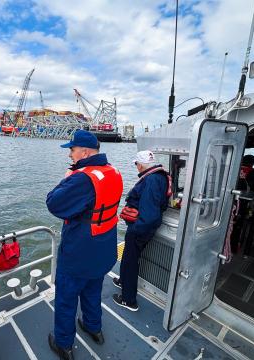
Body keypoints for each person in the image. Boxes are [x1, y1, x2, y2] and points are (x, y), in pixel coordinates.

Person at [46, 130, 123, 360]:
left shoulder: (81, 178)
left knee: (66, 299)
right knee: (92, 290)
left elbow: (54, 203)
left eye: (72, 150)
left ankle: (64, 345)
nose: (70, 154)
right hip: (103, 249)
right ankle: (93, 327)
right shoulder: (114, 171)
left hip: (79, 253)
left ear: (85, 152)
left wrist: (67, 178)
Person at [112, 150, 170, 311]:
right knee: (129, 257)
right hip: (144, 226)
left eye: (137, 163)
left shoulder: (151, 180)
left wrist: (135, 229)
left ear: (142, 164)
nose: (136, 167)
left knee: (131, 261)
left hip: (140, 228)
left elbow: (150, 212)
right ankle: (123, 281)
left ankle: (128, 300)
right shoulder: (160, 176)